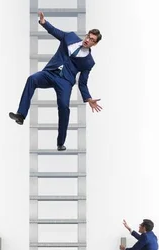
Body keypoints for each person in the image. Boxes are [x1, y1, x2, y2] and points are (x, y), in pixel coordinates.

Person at [8, 11, 102, 151]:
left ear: (94, 44)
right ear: (87, 35)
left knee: (64, 107)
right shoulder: (70, 37)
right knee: (32, 79)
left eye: (93, 40)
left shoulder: (89, 62)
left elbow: (82, 82)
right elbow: (55, 31)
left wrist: (88, 98)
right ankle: (21, 115)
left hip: (65, 82)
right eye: (89, 36)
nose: (89, 40)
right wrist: (44, 22)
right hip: (50, 73)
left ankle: (60, 143)